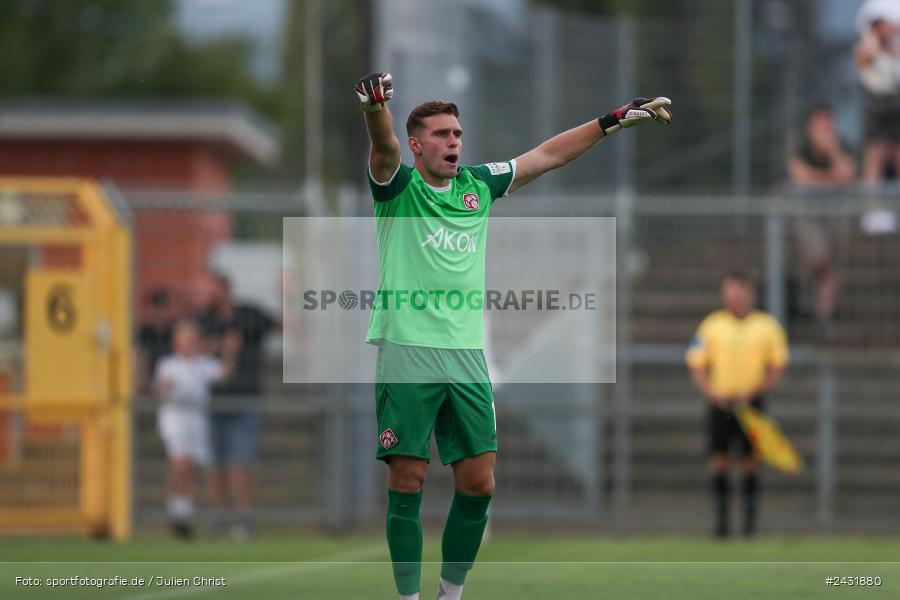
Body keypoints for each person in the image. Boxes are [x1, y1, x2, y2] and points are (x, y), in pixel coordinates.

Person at [354, 71, 671, 599]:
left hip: (467, 359)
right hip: (408, 355)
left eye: (456, 133)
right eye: (440, 134)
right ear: (417, 144)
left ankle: (449, 594)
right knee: (407, 481)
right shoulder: (398, 188)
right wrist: (374, 108)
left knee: (479, 485)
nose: (453, 141)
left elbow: (546, 155)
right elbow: (382, 145)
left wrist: (610, 121)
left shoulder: (478, 186)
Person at [685, 272, 790, 539]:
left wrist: (754, 391)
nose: (736, 295)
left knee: (751, 463)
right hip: (720, 404)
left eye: (741, 290)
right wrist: (712, 393)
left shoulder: (766, 325)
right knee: (719, 462)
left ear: (750, 293)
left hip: (752, 405)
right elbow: (697, 364)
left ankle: (749, 527)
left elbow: (777, 367)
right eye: (731, 290)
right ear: (724, 293)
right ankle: (721, 526)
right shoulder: (711, 325)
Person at [196, 272, 277, 539]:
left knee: (240, 462)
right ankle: (219, 519)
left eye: (207, 288)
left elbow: (281, 324)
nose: (203, 294)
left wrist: (287, 292)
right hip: (211, 402)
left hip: (246, 399)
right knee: (215, 463)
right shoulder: (203, 321)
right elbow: (192, 348)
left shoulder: (249, 314)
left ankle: (244, 519)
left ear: (224, 289)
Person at [155, 319, 239, 539]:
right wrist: (165, 388)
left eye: (193, 340)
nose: (189, 344)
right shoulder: (168, 364)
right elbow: (162, 390)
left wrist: (230, 351)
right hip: (176, 418)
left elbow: (224, 374)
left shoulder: (203, 363)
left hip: (197, 419)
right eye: (185, 340)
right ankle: (177, 511)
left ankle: (183, 513)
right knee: (181, 463)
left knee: (191, 467)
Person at [787, 104, 856, 324]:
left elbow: (848, 174)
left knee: (833, 264)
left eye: (829, 125)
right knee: (819, 257)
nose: (825, 130)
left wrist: (833, 151)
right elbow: (801, 176)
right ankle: (809, 300)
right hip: (808, 213)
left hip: (836, 214)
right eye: (820, 125)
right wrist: (831, 179)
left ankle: (824, 312)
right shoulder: (800, 147)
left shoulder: (842, 145)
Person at [854, 3, 900, 184]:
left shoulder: (894, 46)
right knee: (876, 154)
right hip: (876, 104)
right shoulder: (867, 45)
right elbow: (865, 56)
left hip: (895, 104)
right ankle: (873, 207)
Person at [138, 288, 174, 394]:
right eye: (157, 310)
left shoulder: (172, 332)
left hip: (170, 379)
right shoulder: (145, 333)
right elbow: (142, 356)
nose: (161, 315)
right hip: (149, 378)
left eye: (163, 310)